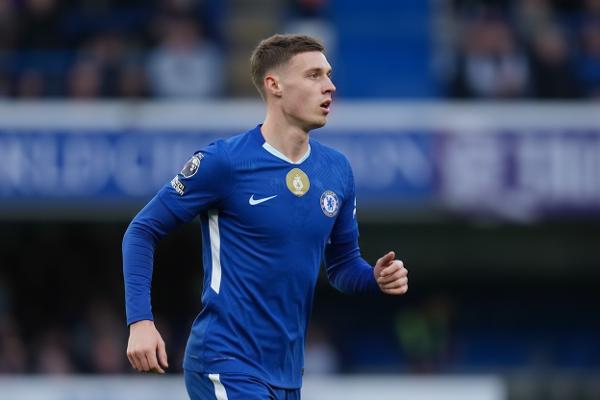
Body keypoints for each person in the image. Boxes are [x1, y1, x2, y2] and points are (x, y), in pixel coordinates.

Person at [122, 34, 408, 400]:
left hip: (286, 373)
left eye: (328, 74)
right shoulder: (224, 162)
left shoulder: (337, 170)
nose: (330, 86)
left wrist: (374, 278)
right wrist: (140, 321)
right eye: (314, 75)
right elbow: (142, 230)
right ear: (275, 85)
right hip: (226, 361)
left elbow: (342, 266)